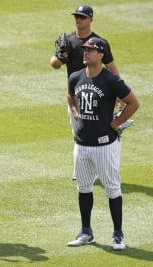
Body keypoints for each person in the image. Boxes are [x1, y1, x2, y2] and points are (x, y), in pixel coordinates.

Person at [66, 37, 139, 250]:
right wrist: (75, 111)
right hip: (81, 145)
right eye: (85, 49)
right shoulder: (76, 76)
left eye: (90, 50)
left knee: (112, 188)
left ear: (101, 55)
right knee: (84, 188)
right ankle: (86, 232)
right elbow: (70, 94)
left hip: (105, 145)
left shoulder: (111, 80)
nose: (85, 53)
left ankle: (117, 234)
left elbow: (133, 103)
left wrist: (116, 123)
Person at [50, 4, 120, 180]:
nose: (78, 19)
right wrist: (59, 58)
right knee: (78, 134)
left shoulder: (99, 43)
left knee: (99, 133)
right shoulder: (69, 41)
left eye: (82, 17)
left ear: (90, 19)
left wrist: (118, 92)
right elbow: (54, 64)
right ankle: (80, 170)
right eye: (76, 16)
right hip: (76, 96)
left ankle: (101, 168)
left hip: (99, 96)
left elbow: (111, 67)